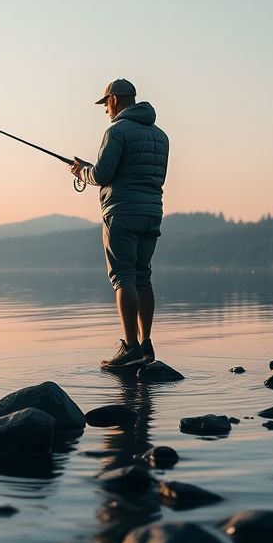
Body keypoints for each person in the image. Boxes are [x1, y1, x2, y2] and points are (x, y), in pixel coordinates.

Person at [69, 78, 169, 369]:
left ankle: (130, 348)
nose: (105, 110)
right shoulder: (161, 136)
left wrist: (81, 171)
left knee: (123, 277)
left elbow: (101, 175)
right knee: (143, 276)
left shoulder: (116, 131)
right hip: (152, 211)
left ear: (113, 99)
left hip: (122, 212)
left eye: (105, 104)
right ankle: (146, 344)